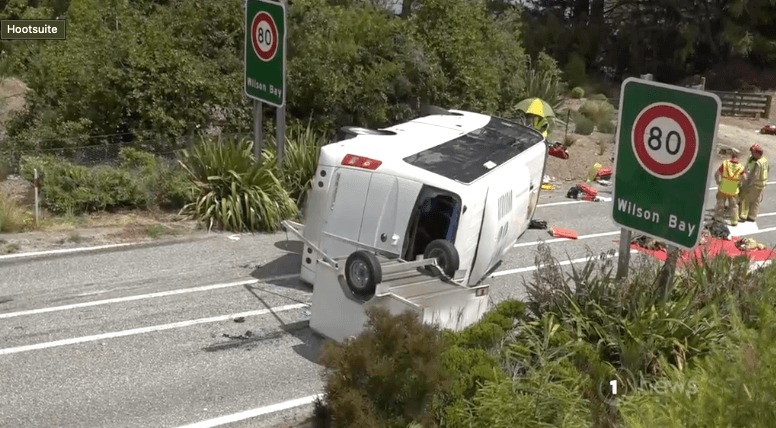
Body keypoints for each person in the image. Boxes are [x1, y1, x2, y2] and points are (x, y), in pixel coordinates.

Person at [739, 144, 770, 222]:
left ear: (758, 153)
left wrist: (750, 183)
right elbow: (767, 170)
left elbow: (755, 175)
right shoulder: (764, 161)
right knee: (755, 201)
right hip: (761, 184)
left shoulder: (758, 163)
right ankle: (752, 216)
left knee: (746, 198)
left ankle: (743, 215)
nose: (751, 154)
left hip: (754, 184)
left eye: (753, 152)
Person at [714, 152, 746, 226]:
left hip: (723, 189)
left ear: (731, 157)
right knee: (734, 206)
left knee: (720, 205)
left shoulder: (725, 164)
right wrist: (740, 183)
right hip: (733, 191)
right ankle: (734, 221)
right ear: (738, 158)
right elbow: (744, 177)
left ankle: (718, 218)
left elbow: (717, 173)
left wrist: (718, 182)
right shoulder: (740, 167)